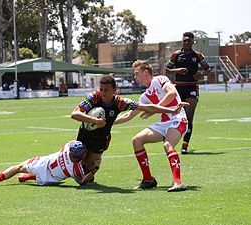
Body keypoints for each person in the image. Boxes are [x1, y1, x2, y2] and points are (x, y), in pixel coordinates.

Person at [71, 75, 188, 179]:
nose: (103, 93)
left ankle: (95, 166)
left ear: (114, 90)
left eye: (106, 90)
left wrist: (172, 110)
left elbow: (148, 108)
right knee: (76, 160)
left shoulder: (121, 102)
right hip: (85, 134)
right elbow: (74, 114)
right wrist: (94, 120)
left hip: (101, 140)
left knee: (85, 173)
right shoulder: (94, 97)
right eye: (101, 89)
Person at [115, 60, 189, 192]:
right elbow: (128, 115)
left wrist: (154, 109)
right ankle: (148, 180)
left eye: (136, 73)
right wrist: (108, 123)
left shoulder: (160, 79)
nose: (134, 76)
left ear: (145, 72)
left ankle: (177, 182)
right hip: (164, 123)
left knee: (168, 145)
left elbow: (171, 93)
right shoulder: (145, 96)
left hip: (178, 119)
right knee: (137, 140)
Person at [0, 141, 97, 187]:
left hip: (41, 164)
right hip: (48, 180)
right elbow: (82, 182)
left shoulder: (68, 146)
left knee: (18, 167)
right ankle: (29, 177)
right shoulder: (75, 170)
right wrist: (93, 170)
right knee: (59, 178)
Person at [165, 32, 210, 154]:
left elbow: (208, 69)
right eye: (184, 41)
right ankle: (169, 142)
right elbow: (167, 70)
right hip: (178, 89)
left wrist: (201, 74)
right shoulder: (176, 55)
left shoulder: (198, 55)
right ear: (182, 41)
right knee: (175, 116)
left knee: (189, 119)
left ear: (192, 42)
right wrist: (177, 70)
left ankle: (185, 146)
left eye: (188, 41)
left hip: (192, 88)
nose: (186, 43)